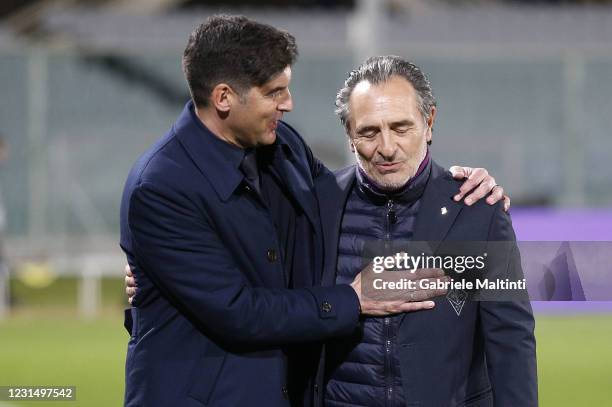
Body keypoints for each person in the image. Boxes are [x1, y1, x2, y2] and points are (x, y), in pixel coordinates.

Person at [120, 15, 507, 407]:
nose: (288, 104)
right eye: (274, 92)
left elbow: (348, 195)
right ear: (224, 98)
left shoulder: (280, 143)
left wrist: (454, 186)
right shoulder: (159, 187)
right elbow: (237, 312)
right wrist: (352, 299)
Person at [314, 56, 537, 407]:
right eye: (369, 132)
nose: (387, 148)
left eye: (401, 127)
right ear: (349, 136)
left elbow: (511, 340)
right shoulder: (317, 206)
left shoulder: (479, 211)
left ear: (429, 122)